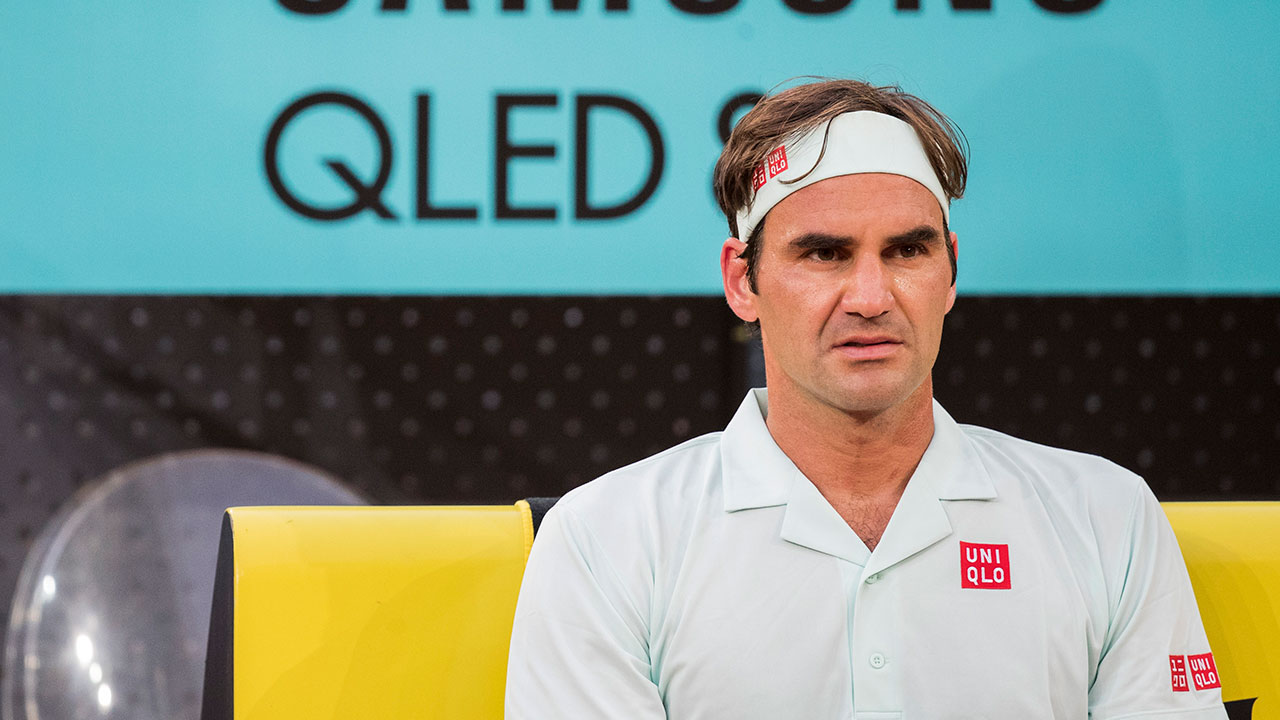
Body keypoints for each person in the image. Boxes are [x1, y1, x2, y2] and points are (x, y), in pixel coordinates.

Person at [505, 78, 1226, 719]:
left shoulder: (1106, 518)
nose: (872, 297)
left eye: (908, 250)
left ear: (950, 271)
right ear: (743, 281)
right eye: (825, 253)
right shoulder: (606, 540)